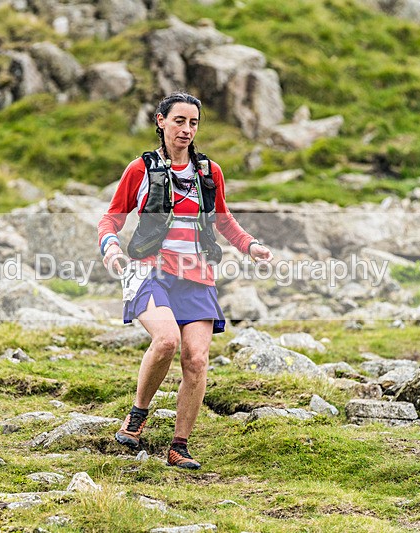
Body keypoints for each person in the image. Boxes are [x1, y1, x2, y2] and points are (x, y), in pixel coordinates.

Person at [96, 92, 273, 469]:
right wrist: (111, 249)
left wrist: (251, 246)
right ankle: (137, 417)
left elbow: (224, 220)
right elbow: (110, 219)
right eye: (179, 121)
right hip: (150, 271)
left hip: (197, 276)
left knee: (196, 359)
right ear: (161, 121)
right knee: (166, 341)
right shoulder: (140, 170)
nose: (187, 130)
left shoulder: (209, 173)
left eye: (193, 123)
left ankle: (179, 446)